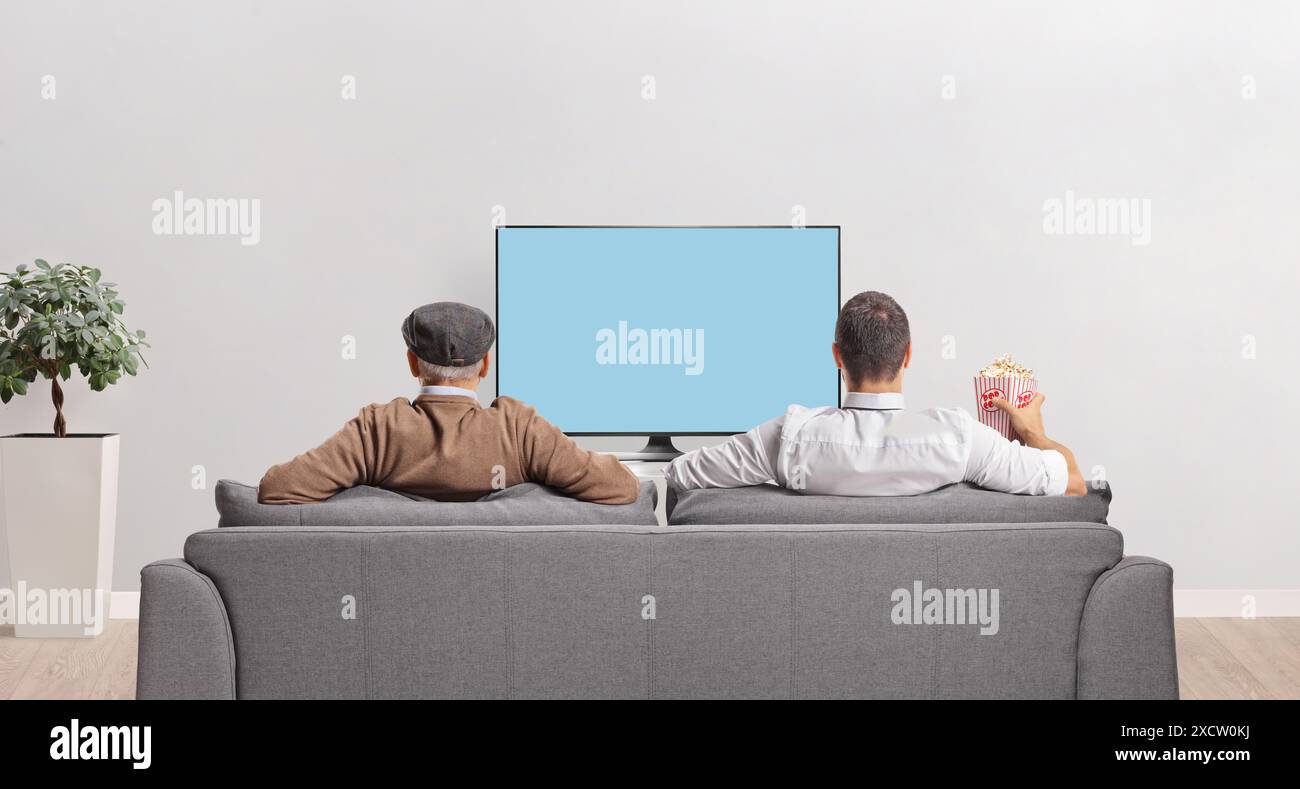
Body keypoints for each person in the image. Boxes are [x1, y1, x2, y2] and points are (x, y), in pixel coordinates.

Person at [664, 291, 1087, 497]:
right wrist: (1034, 433)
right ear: (907, 356)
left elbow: (680, 475)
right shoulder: (961, 439)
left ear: (836, 357)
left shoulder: (786, 439)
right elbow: (1074, 484)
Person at [258, 301, 640, 504]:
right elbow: (621, 487)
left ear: (412, 363)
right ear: (486, 365)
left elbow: (277, 488)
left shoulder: (378, 431)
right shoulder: (518, 431)